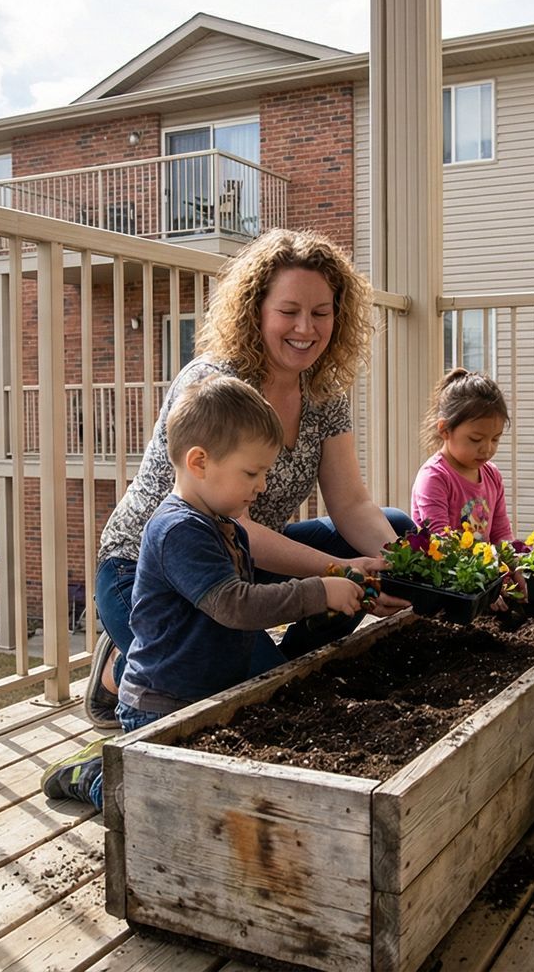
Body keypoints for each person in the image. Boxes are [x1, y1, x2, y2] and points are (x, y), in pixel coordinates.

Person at [87, 229, 412, 728]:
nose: (305, 327)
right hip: (150, 570)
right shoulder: (217, 385)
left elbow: (351, 504)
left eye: (321, 312)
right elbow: (239, 524)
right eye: (289, 311)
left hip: (237, 560)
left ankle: (297, 662)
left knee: (393, 528)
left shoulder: (322, 392)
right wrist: (336, 576)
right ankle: (119, 670)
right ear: (256, 309)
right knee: (256, 699)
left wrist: (396, 570)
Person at [42, 376, 371, 805]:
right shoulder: (178, 529)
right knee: (159, 805)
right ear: (199, 462)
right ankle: (95, 775)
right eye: (252, 472)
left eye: (265, 472)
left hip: (209, 695)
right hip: (162, 705)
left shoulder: (223, 522)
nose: (263, 486)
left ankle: (121, 762)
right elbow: (235, 605)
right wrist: (317, 593)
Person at [410, 368, 512, 542]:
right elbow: (440, 541)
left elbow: (501, 534)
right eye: (475, 439)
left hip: (483, 567)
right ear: (444, 429)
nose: (487, 449)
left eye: (495, 439)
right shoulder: (435, 477)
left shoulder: (492, 475)